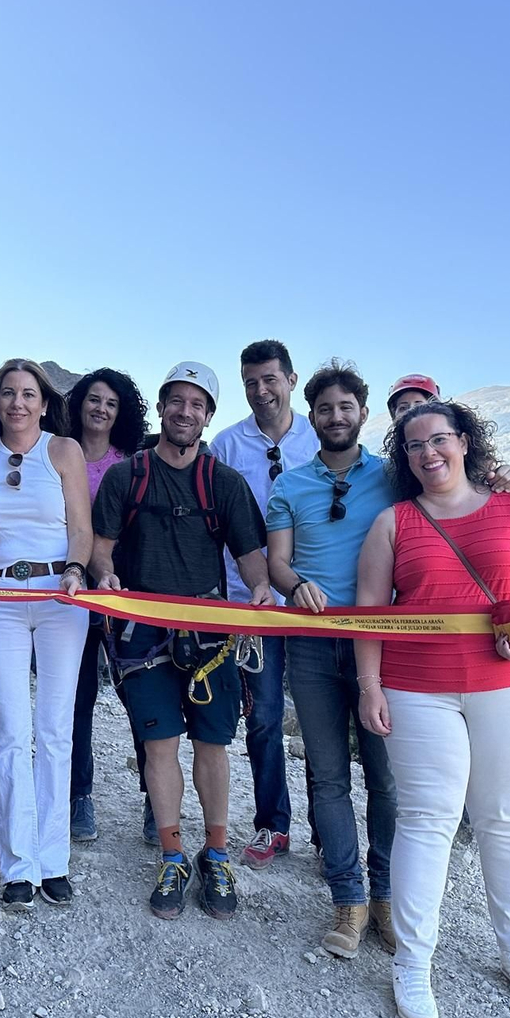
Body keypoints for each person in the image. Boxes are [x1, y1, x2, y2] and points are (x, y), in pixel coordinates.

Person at [355, 400, 510, 1018]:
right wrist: (370, 686)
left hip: (507, 684)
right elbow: (369, 611)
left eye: (438, 440)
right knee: (427, 820)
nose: (428, 454)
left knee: (503, 817)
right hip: (418, 688)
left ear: (466, 442)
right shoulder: (394, 523)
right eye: (414, 447)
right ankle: (413, 965)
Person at [90, 361, 271, 922]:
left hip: (208, 635)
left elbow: (251, 561)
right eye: (176, 401)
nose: (185, 412)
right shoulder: (128, 477)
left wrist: (263, 592)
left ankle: (215, 852)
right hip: (142, 633)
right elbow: (102, 545)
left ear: (208, 416)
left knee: (213, 747)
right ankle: (173, 854)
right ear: (162, 407)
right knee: (161, 746)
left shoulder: (224, 484)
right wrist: (105, 576)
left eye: (197, 405)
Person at [264, 361, 398, 958]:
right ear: (310, 416)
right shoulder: (289, 486)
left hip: (385, 642)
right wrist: (295, 587)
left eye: (346, 407)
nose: (336, 417)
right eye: (325, 409)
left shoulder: (395, 479)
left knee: (388, 778)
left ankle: (389, 894)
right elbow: (277, 562)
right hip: (313, 645)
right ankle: (349, 900)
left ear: (362, 414)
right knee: (327, 774)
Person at [0, 360, 92, 910]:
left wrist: (77, 569)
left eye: (28, 393)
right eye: (8, 393)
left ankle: (53, 861)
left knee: (56, 730)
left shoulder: (64, 452)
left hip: (60, 598)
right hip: (0, 600)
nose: (17, 402)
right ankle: (18, 866)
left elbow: (80, 526)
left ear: (42, 402)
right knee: (12, 730)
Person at [209, 339, 320, 871]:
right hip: (250, 605)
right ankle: (273, 824)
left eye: (270, 379)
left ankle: (327, 830)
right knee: (264, 717)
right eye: (251, 381)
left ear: (291, 380)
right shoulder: (227, 446)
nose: (261, 390)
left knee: (324, 717)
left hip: (318, 605)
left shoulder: (320, 439)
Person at [62, 367, 149, 843]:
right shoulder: (55, 452)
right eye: (94, 399)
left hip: (118, 590)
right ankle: (79, 797)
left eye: (111, 403)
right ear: (79, 403)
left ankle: (156, 799)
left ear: (122, 413)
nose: (100, 409)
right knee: (77, 699)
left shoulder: (131, 466)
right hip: (70, 592)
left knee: (141, 695)